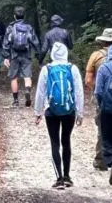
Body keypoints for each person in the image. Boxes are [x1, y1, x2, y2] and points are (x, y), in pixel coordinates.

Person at [35, 42, 85, 189]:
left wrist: (38, 112)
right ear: (65, 53)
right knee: (66, 141)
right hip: (69, 110)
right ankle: (68, 176)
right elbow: (78, 92)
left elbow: (40, 92)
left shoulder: (46, 69)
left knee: (55, 143)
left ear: (52, 54)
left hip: (51, 110)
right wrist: (80, 113)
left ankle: (59, 178)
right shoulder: (73, 68)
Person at [86, 28, 112, 171]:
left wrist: (100, 93)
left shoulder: (96, 56)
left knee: (103, 129)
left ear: (102, 41)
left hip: (105, 100)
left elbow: (88, 80)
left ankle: (101, 161)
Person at [94, 39, 112, 186]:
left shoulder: (104, 68)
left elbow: (98, 91)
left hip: (108, 109)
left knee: (107, 137)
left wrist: (101, 106)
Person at [4, 6, 41, 107]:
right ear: (24, 16)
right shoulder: (29, 27)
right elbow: (35, 42)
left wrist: (6, 56)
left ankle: (16, 101)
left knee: (13, 77)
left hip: (14, 55)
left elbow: (6, 42)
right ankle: (27, 91)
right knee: (27, 76)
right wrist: (38, 54)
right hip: (26, 55)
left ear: (14, 16)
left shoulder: (10, 28)